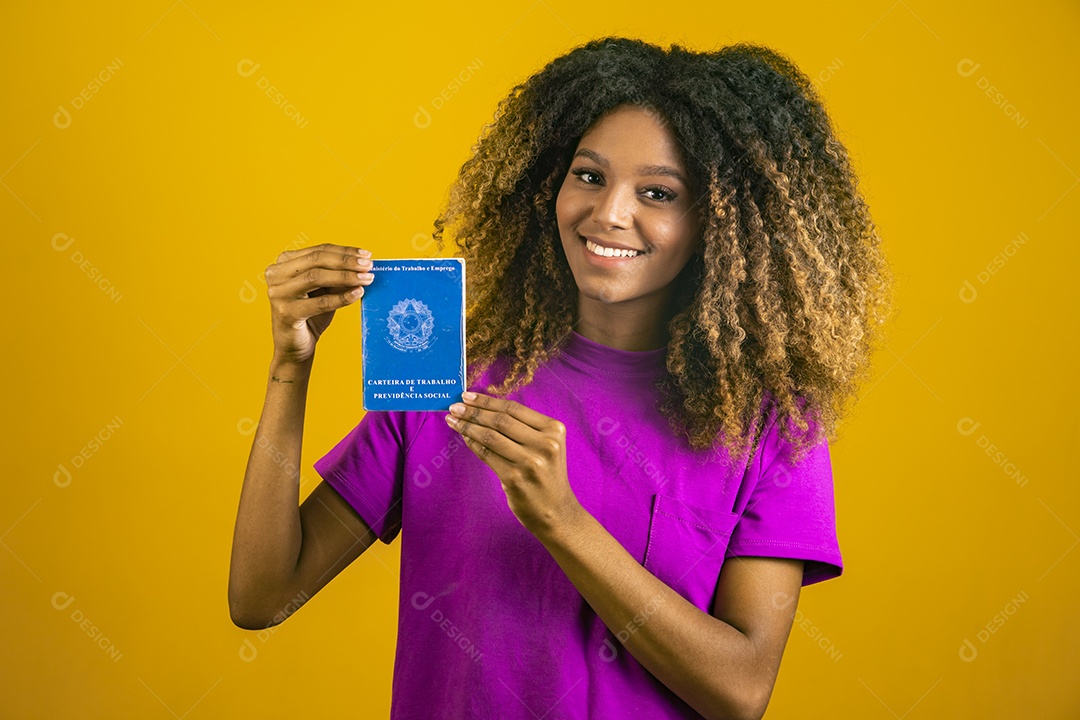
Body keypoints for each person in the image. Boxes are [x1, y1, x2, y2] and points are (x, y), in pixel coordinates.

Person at [229, 36, 893, 719]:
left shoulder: (771, 422)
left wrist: (562, 521)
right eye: (588, 175)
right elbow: (263, 595)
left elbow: (742, 690)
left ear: (720, 222)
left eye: (658, 192)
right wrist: (290, 368)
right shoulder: (447, 377)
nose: (608, 214)